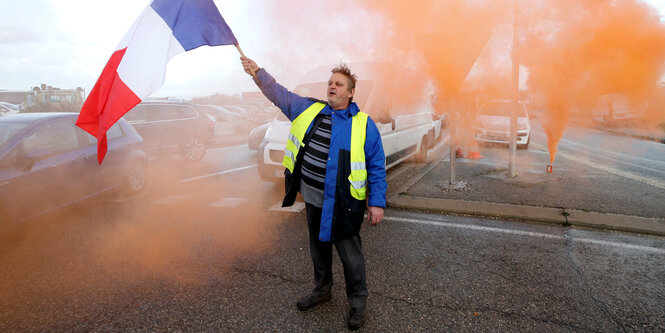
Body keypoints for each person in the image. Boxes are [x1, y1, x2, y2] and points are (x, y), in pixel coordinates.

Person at [241, 56, 387, 330]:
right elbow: (278, 94)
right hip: (313, 197)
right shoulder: (308, 109)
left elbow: (377, 166)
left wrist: (376, 203)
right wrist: (257, 73)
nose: (332, 86)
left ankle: (357, 302)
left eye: (339, 83)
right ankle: (322, 289)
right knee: (318, 248)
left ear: (351, 92)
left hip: (345, 203)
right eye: (330, 82)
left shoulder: (363, 124)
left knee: (350, 256)